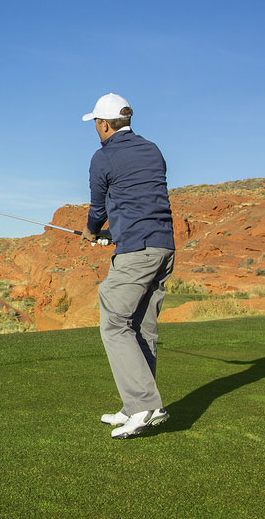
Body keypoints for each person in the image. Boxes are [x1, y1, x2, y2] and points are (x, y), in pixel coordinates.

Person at [80, 93, 176, 439]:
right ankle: (135, 404)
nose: (95, 129)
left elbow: (97, 208)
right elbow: (139, 201)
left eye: (96, 123)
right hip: (163, 247)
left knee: (114, 323)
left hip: (137, 251)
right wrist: (112, 234)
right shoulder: (153, 150)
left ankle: (144, 405)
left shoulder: (102, 157)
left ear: (104, 124)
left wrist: (92, 232)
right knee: (141, 327)